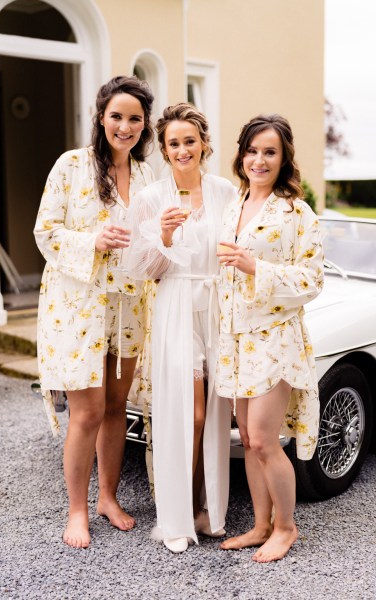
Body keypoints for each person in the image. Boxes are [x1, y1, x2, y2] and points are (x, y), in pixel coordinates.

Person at [34, 75, 155, 548]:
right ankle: (77, 511)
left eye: (135, 119)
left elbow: (149, 246)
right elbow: (45, 232)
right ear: (100, 117)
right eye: (117, 116)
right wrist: (93, 241)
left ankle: (108, 496)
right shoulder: (71, 166)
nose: (124, 127)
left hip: (129, 306)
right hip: (78, 305)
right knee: (84, 412)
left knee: (114, 408)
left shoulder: (147, 177)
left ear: (144, 125)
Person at [127, 103, 237, 553]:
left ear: (204, 143)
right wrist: (166, 238)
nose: (182, 149)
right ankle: (177, 514)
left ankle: (208, 507)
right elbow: (140, 268)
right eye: (173, 143)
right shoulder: (151, 199)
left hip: (216, 306)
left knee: (216, 412)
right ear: (164, 150)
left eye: (189, 140)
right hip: (175, 307)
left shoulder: (227, 192)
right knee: (186, 412)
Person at [216, 114, 324, 562]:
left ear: (284, 158)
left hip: (276, 338)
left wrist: (255, 266)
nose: (259, 160)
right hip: (235, 338)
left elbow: (313, 279)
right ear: (242, 154)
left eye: (270, 152)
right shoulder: (233, 204)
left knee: (262, 439)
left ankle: (286, 526)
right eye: (252, 150)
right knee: (248, 439)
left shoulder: (297, 212)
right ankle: (260, 525)